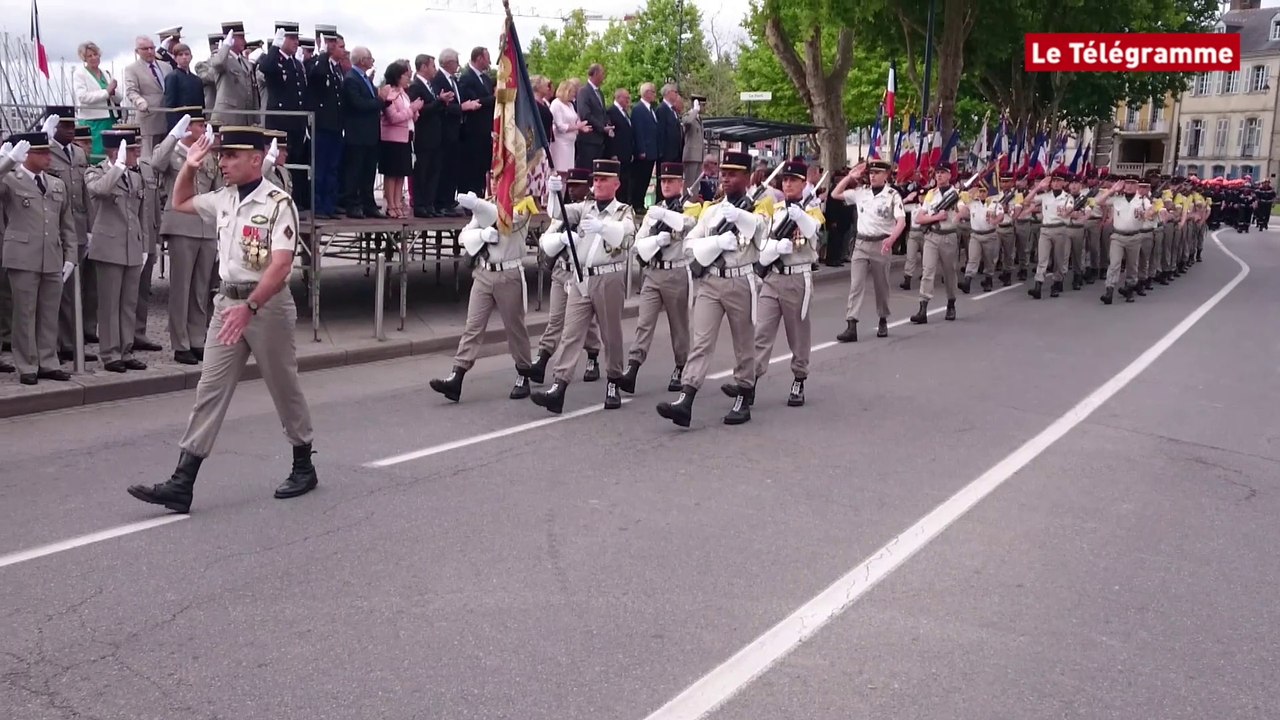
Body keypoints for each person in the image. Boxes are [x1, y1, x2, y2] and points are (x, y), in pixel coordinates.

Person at [126, 126, 317, 513]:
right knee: (209, 390)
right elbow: (180, 201)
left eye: (231, 156)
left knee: (284, 386)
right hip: (228, 303)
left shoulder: (278, 203)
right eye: (221, 155)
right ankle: (182, 482)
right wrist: (189, 166)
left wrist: (251, 307)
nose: (223, 162)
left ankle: (303, 464)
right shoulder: (224, 198)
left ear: (255, 159)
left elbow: (281, 266)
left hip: (266, 307)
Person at [656, 150, 764, 427]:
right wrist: (715, 243)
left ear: (747, 177)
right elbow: (690, 244)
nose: (726, 179)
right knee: (701, 342)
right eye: (724, 174)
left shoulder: (757, 208)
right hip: (711, 281)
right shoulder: (712, 210)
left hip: (740, 280)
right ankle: (686, 399)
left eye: (733, 174)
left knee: (743, 343)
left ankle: (743, 395)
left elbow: (761, 234)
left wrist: (741, 217)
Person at [531, 159, 635, 413]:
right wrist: (554, 191)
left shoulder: (623, 211)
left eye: (603, 180)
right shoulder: (585, 207)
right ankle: (559, 386)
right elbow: (558, 214)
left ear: (616, 184)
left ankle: (613, 381)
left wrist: (602, 227)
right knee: (571, 333)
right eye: (595, 180)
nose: (597, 184)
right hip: (580, 278)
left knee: (611, 334)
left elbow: (625, 235)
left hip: (608, 278)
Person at [428, 190, 535, 402]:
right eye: (494, 178)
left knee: (515, 328)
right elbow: (465, 234)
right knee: (473, 327)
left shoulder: (523, 205)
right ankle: (457, 376)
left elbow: (506, 219)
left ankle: (524, 373)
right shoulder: (487, 204)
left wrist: (478, 205)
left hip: (508, 273)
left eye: (501, 178)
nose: (496, 183)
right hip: (484, 272)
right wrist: (481, 235)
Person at [742, 158, 824, 407]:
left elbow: (813, 231)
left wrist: (800, 217)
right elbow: (762, 239)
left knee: (798, 334)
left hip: (797, 277)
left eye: (793, 180)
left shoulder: (812, 209)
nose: (787, 184)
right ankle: (750, 382)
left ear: (803, 183)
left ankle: (799, 377)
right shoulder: (775, 210)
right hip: (772, 277)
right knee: (761, 332)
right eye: (785, 180)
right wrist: (774, 248)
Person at [0, 134, 78, 385]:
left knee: (49, 313)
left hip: (52, 256)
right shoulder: (10, 180)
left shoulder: (56, 184)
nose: (48, 157)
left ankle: (48, 361)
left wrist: (71, 256)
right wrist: (8, 160)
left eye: (48, 152)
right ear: (27, 155)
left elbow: (67, 224)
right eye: (42, 152)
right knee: (25, 313)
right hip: (22, 257)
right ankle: (27, 365)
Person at [620, 161, 697, 394]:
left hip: (676, 272)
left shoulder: (690, 207)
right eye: (663, 181)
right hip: (653, 272)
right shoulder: (654, 211)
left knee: (679, 325)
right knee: (644, 323)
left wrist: (667, 215)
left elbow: (689, 225)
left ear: (681, 183)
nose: (666, 185)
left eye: (671, 181)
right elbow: (639, 243)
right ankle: (633, 367)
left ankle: (681, 366)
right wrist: (654, 240)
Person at [531, 167, 603, 385]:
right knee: (556, 319)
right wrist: (554, 193)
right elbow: (548, 232)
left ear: (587, 187)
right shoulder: (564, 211)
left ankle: (592, 356)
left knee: (584, 323)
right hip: (561, 270)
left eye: (576, 186)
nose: (571, 190)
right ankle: (542, 358)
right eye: (569, 186)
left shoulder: (592, 211)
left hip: (581, 274)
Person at [85, 129, 148, 372]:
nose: (136, 154)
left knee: (128, 303)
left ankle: (126, 350)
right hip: (109, 247)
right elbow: (100, 190)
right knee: (110, 304)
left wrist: (144, 245)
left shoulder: (135, 177)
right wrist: (118, 166)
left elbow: (140, 213)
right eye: (131, 150)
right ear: (115, 152)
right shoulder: (96, 172)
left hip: (131, 246)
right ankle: (110, 353)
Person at [42, 108, 99, 363]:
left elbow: (85, 193)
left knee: (77, 290)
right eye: (65, 126)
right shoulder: (45, 153)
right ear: (53, 128)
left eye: (72, 125)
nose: (70, 130)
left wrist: (91, 227)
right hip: (54, 228)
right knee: (58, 292)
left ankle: (72, 342)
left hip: (78, 228)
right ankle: (57, 343)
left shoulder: (78, 153)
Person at [833, 159, 903, 342]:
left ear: (886, 175)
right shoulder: (861, 192)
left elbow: (901, 221)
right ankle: (851, 324)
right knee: (856, 285)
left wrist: (892, 239)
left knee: (881, 286)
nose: (873, 176)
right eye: (871, 173)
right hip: (861, 243)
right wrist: (850, 177)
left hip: (881, 244)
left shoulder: (892, 195)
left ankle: (883, 318)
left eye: (877, 173)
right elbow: (835, 194)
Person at [911, 165, 961, 322]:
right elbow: (919, 218)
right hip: (932, 236)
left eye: (943, 173)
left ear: (949, 175)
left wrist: (958, 214)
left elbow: (964, 211)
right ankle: (922, 308)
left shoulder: (957, 193)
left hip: (948, 236)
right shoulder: (931, 194)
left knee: (949, 273)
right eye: (937, 173)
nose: (939, 176)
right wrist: (936, 217)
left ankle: (951, 303)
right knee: (927, 271)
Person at [379, 61, 421, 219]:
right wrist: (412, 109)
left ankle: (398, 203)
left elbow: (410, 114)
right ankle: (390, 204)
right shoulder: (389, 92)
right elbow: (393, 117)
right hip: (392, 139)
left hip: (406, 137)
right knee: (392, 173)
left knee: (401, 173)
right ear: (397, 76)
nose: (408, 77)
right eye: (404, 75)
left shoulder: (404, 93)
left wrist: (415, 111)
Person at [71, 42, 122, 159]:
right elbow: (83, 97)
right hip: (92, 121)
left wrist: (113, 92)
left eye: (95, 54)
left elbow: (119, 97)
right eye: (90, 56)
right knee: (95, 153)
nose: (94, 58)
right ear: (84, 58)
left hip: (110, 120)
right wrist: (106, 92)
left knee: (111, 151)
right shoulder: (80, 74)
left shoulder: (106, 73)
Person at [958, 181, 1003, 295]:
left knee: (989, 260)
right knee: (972, 259)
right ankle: (967, 281)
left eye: (984, 191)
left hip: (989, 235)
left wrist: (995, 221)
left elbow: (1001, 215)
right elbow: (961, 203)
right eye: (980, 191)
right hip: (975, 235)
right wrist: (969, 194)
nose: (982, 194)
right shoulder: (972, 202)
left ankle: (988, 280)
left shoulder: (993, 202)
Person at [549, 79, 587, 173]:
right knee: (561, 169)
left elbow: (575, 118)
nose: (574, 94)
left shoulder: (570, 105)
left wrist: (581, 126)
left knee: (569, 169)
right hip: (561, 143)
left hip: (570, 143)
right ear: (566, 92)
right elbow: (560, 126)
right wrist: (577, 127)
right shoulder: (556, 104)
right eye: (572, 92)